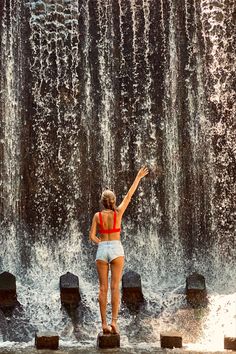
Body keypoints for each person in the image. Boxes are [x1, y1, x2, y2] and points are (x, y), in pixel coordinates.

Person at [89, 167, 149, 335]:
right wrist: (137, 177)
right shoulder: (119, 212)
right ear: (114, 201)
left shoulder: (97, 216)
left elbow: (92, 236)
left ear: (102, 202)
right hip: (116, 248)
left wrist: (100, 242)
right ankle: (114, 323)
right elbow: (129, 195)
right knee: (115, 287)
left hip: (102, 249)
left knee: (102, 288)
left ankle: (103, 324)